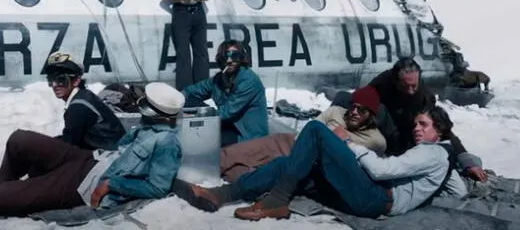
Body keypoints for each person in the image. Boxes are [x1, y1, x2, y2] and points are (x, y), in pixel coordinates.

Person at [0, 82, 185, 220]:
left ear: (156, 111)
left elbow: (158, 187)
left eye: (144, 103)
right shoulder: (149, 128)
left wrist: (111, 184)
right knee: (20, 140)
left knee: (2, 197)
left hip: (84, 184)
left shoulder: (167, 143)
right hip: (88, 161)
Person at [173, 106, 468, 221]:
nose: (417, 129)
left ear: (439, 130)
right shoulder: (440, 158)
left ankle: (276, 200)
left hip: (376, 198)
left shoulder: (432, 153)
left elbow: (381, 170)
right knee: (287, 166)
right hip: (373, 194)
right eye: (416, 123)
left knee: (316, 131)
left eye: (424, 124)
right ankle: (219, 196)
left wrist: (348, 145)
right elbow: (458, 191)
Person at [332, 57, 488, 182]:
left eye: (414, 85)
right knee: (345, 98)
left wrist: (466, 160)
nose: (412, 91)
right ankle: (334, 139)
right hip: (379, 127)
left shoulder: (423, 97)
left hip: (402, 141)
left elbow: (442, 129)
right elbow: (362, 99)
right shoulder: (382, 83)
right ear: (395, 81)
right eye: (406, 86)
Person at [0, 52, 127, 184]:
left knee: (31, 146)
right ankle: (7, 178)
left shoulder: (78, 107)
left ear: (76, 80)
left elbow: (68, 148)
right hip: (101, 154)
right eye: (51, 80)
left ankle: (9, 183)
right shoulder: (83, 97)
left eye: (61, 80)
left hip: (103, 162)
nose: (55, 85)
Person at [218, 85, 386, 182]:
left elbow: (359, 166)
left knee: (241, 176)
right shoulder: (335, 112)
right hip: (295, 142)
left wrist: (342, 140)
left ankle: (227, 179)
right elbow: (310, 129)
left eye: (361, 110)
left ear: (371, 114)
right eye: (353, 106)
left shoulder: (376, 140)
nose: (354, 112)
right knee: (245, 150)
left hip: (310, 163)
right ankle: (210, 167)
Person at [182, 39, 267, 147]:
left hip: (245, 135)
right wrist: (177, 99)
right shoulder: (220, 78)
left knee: (202, 138)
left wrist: (195, 116)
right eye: (225, 56)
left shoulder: (248, 80)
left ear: (241, 58)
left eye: (234, 56)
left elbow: (226, 112)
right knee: (188, 100)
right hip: (227, 125)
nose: (229, 60)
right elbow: (193, 90)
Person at [160, 0, 211, 91]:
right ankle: (185, 90)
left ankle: (202, 88)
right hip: (181, 12)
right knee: (183, 53)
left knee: (201, 51)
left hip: (198, 13)